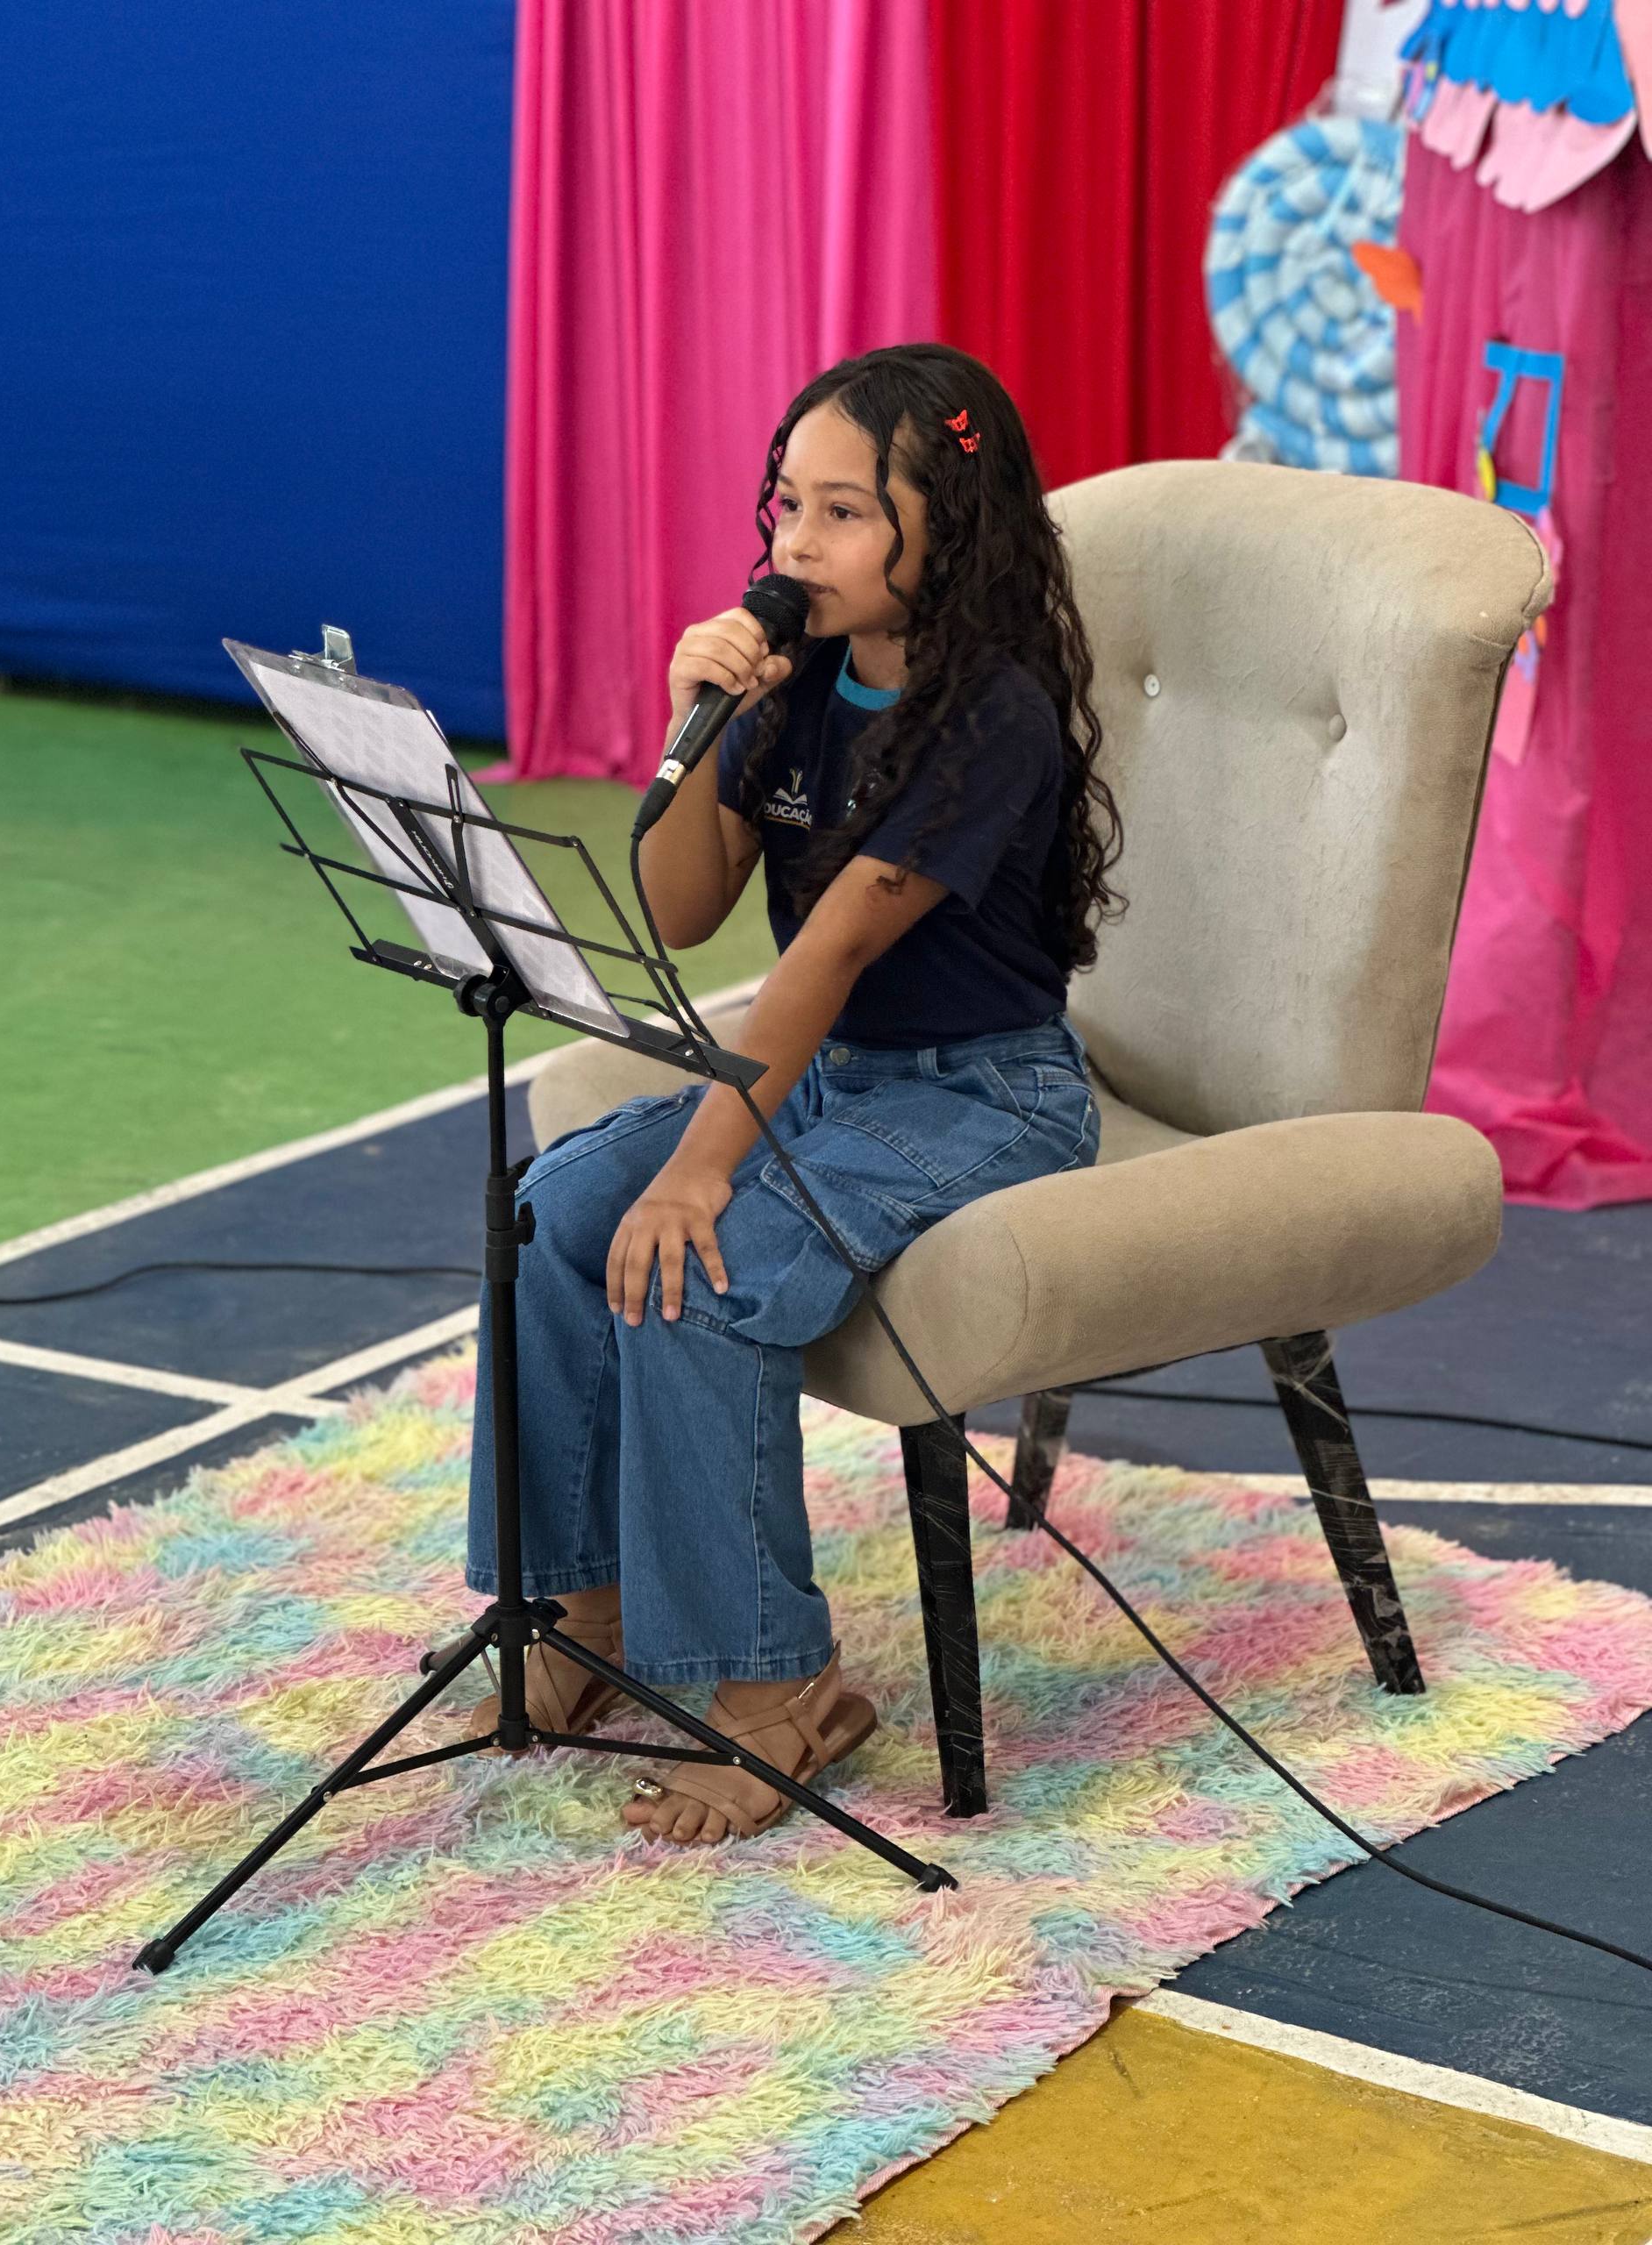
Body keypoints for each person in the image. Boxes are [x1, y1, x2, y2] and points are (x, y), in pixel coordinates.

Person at [464, 341, 1125, 1847]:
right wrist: (693, 725)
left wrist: (702, 1167)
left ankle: (778, 1693)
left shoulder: (990, 715)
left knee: (697, 1270)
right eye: (786, 509)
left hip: (986, 1096)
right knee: (554, 1209)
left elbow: (826, 957)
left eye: (843, 513)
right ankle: (590, 1608)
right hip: (831, 1080)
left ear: (946, 530)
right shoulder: (794, 683)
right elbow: (683, 907)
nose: (796, 547)